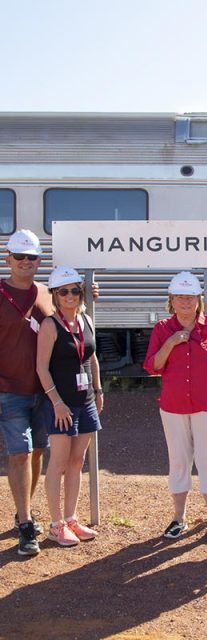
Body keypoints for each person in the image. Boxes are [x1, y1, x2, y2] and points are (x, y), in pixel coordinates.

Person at [143, 271, 207, 546]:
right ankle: (179, 518)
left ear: (199, 300)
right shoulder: (163, 329)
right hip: (173, 406)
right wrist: (172, 343)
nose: (185, 301)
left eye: (190, 296)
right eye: (180, 297)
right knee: (179, 461)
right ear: (171, 300)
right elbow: (153, 365)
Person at [36, 266, 103, 547]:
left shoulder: (85, 320)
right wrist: (57, 403)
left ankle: (72, 518)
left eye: (75, 290)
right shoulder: (50, 325)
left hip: (85, 401)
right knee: (60, 463)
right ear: (55, 294)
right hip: (60, 405)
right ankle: (56, 524)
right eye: (63, 291)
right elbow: (41, 368)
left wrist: (98, 390)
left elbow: (92, 356)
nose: (70, 295)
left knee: (77, 462)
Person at [0, 230, 52, 555]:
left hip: (44, 390)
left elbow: (70, 319)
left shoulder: (46, 293)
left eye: (31, 257)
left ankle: (26, 512)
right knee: (19, 453)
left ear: (39, 261)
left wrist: (90, 296)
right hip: (8, 389)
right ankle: (25, 523)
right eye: (19, 256)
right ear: (8, 260)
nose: (25, 262)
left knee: (37, 453)